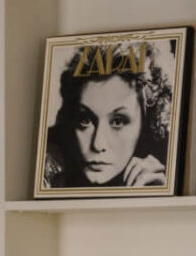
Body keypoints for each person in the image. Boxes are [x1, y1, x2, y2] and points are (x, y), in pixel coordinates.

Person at [43, 42, 172, 189]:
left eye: (118, 121)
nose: (98, 145)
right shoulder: (48, 166)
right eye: (85, 120)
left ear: (147, 123)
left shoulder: (167, 165)